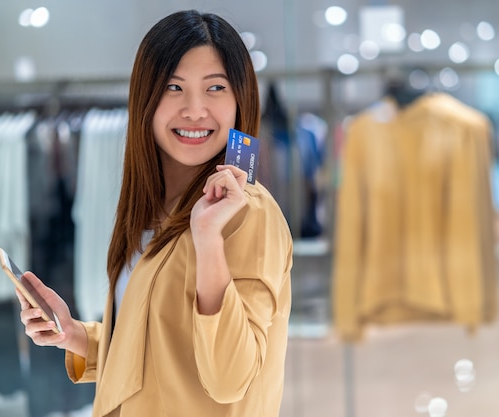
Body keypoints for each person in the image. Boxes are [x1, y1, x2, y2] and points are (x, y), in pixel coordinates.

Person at [16, 9, 293, 417]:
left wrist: (209, 241)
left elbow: (231, 377)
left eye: (215, 87)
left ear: (240, 99)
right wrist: (76, 335)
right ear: (146, 98)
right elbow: (161, 345)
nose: (195, 109)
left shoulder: (248, 213)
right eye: (173, 87)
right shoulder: (154, 205)